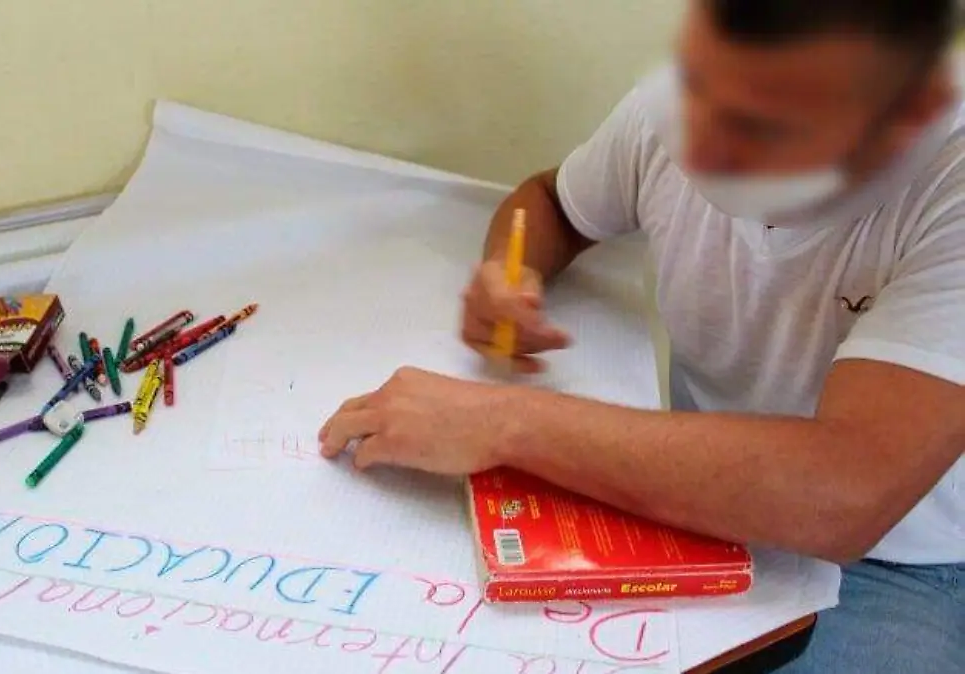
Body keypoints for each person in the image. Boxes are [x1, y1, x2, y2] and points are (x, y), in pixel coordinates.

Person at [320, 1, 965, 671]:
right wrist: (510, 272)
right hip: (685, 497)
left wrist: (503, 423)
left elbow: (846, 494)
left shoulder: (950, 184)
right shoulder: (681, 103)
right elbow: (552, 202)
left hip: (894, 563)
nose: (702, 149)